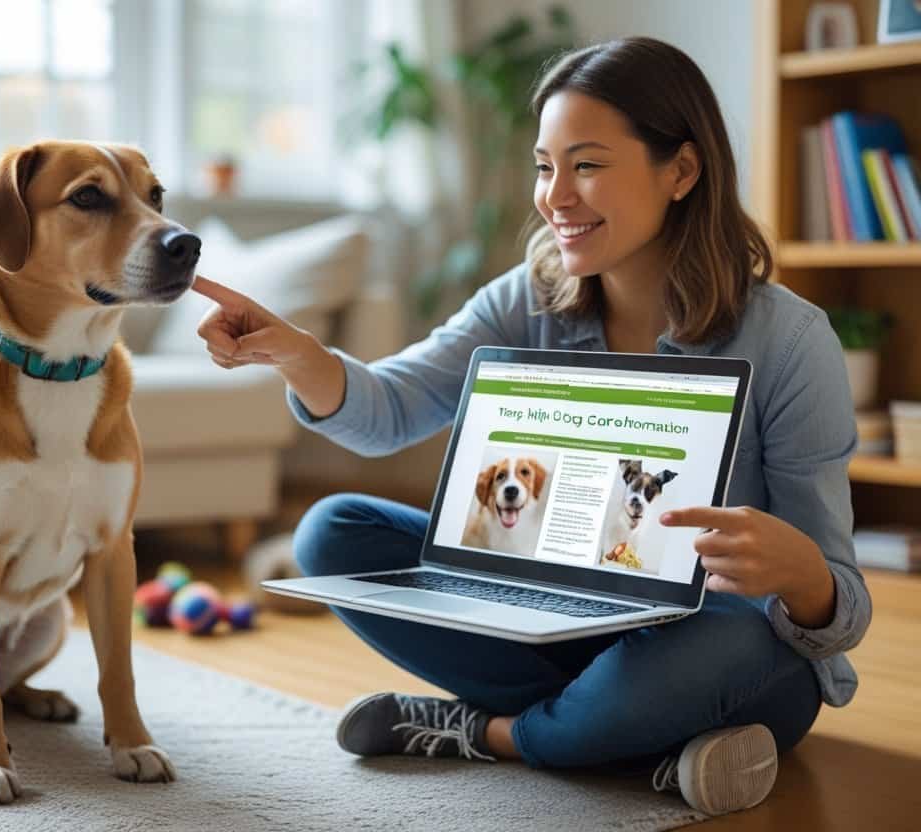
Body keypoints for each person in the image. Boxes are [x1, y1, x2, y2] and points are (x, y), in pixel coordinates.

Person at [190, 36, 870, 818]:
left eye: (586, 165)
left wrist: (802, 576)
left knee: (731, 643)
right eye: (546, 167)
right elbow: (389, 412)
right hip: (554, 622)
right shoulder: (527, 297)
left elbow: (840, 606)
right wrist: (298, 354)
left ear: (681, 171)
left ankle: (489, 734)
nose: (555, 196)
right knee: (331, 533)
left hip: (722, 646)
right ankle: (632, 739)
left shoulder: (790, 341)